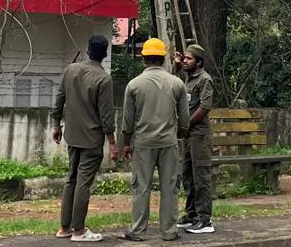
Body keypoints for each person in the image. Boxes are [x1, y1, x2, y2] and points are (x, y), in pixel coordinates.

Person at [120, 38, 190, 242]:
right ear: (163, 58)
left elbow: (127, 121)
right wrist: (178, 135)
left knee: (141, 187)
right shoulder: (177, 84)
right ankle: (169, 231)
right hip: (168, 142)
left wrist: (126, 143)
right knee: (170, 186)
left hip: (143, 143)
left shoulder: (134, 85)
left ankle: (137, 230)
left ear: (144, 59)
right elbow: (184, 119)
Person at [51, 35, 119, 243]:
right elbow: (106, 115)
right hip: (92, 138)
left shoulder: (71, 70)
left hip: (72, 135)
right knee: (83, 183)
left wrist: (56, 124)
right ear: (104, 54)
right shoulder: (103, 79)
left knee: (71, 179)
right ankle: (79, 230)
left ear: (88, 50)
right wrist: (112, 142)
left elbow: (60, 98)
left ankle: (64, 227)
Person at [172, 44, 216, 234]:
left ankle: (205, 220)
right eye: (185, 58)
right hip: (188, 136)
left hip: (199, 135)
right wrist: (176, 65)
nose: (185, 61)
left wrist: (186, 124)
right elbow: (172, 84)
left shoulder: (205, 80)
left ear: (199, 62)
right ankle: (191, 214)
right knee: (188, 176)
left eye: (189, 59)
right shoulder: (188, 78)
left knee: (201, 177)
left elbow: (204, 107)